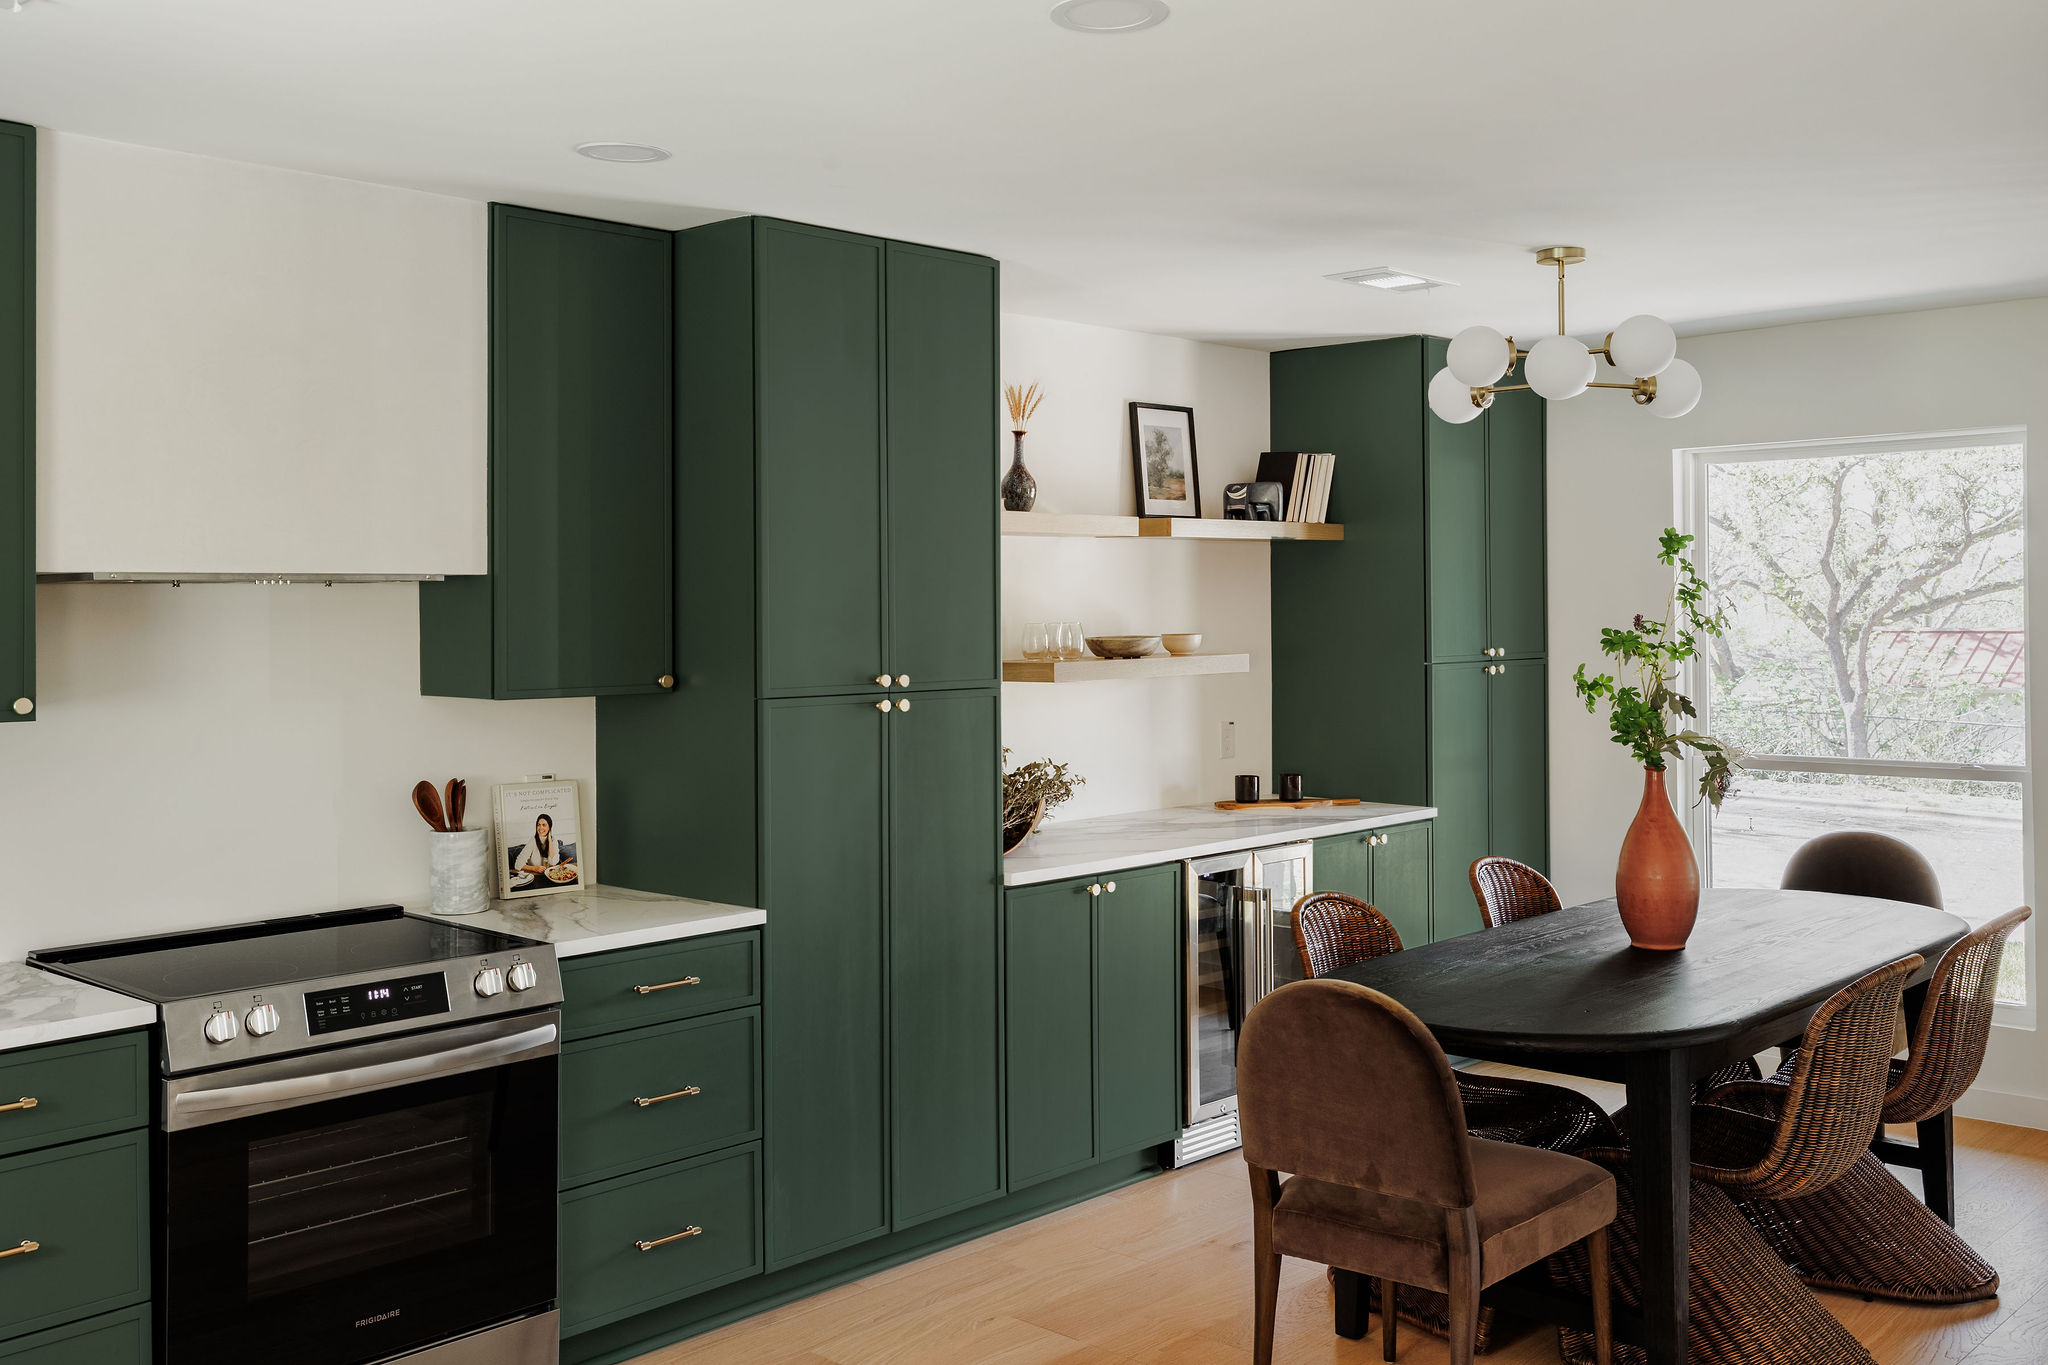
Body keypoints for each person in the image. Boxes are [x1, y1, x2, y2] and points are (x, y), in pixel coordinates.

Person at [513, 813, 573, 887]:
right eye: (538, 825)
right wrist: (535, 868)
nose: (540, 828)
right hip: (536, 878)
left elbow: (552, 862)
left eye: (544, 825)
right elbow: (517, 864)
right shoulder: (533, 841)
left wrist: (550, 841)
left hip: (552, 878)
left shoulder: (554, 841)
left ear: (549, 827)